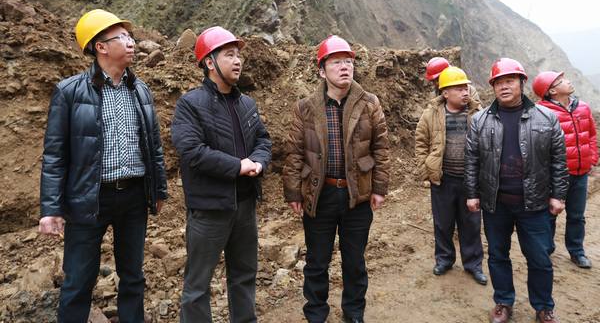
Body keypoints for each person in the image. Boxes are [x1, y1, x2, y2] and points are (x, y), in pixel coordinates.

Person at [39, 9, 168, 323]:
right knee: (78, 281)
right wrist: (51, 209)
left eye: (130, 36)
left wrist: (158, 189)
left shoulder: (140, 90)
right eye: (122, 37)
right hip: (88, 199)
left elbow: (153, 145)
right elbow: (55, 154)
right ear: (100, 47)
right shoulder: (69, 92)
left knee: (133, 276)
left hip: (134, 196)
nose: (131, 42)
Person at [283, 35, 390, 323]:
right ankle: (316, 312)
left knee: (354, 261)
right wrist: (293, 193)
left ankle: (354, 312)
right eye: (336, 62)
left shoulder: (369, 103)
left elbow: (381, 148)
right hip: (321, 193)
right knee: (317, 261)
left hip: (358, 194)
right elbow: (294, 152)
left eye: (348, 62)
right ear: (322, 71)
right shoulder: (305, 107)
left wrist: (379, 188)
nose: (345, 67)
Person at [171, 26, 272, 323]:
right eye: (229, 55)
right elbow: (192, 151)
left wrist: (259, 162)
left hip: (245, 206)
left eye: (238, 55)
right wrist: (238, 166)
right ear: (209, 62)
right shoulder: (191, 104)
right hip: (209, 209)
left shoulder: (247, 104)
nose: (238, 61)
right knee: (198, 285)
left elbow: (263, 140)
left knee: (244, 275)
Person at [464, 58, 568, 323]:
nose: (504, 86)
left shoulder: (546, 118)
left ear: (522, 83)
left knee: (539, 258)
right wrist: (472, 194)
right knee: (498, 255)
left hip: (534, 204)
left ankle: (543, 307)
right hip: (496, 203)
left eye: (509, 80)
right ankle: (503, 302)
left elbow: (558, 160)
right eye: (498, 82)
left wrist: (558, 195)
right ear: (493, 87)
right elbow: (472, 160)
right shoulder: (480, 120)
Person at [415, 66, 486, 285]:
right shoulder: (431, 114)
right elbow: (421, 142)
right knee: (443, 223)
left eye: (465, 88)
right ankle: (444, 259)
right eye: (458, 88)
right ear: (445, 93)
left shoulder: (478, 114)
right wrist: (426, 169)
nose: (465, 92)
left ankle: (473, 264)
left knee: (471, 223)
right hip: (443, 179)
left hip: (470, 180)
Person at [533, 71, 598, 268]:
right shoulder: (541, 112)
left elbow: (591, 135)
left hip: (580, 173)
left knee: (577, 216)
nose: (568, 82)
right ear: (552, 91)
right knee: (549, 214)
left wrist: (592, 158)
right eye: (561, 81)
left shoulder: (583, 107)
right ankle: (546, 250)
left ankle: (577, 252)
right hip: (555, 176)